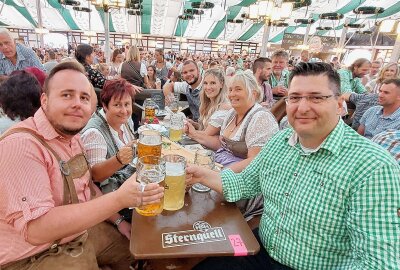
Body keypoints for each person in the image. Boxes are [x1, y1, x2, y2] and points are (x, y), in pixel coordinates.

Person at [187, 62, 400, 270]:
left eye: (316, 98)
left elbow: (378, 262)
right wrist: (201, 175)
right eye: (295, 98)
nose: (303, 107)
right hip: (260, 250)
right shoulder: (281, 141)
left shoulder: (374, 166)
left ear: (338, 104)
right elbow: (244, 183)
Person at [0, 61, 164, 269]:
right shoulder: (20, 145)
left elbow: (88, 187)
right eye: (66, 95)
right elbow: (37, 228)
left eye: (84, 97)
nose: (77, 103)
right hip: (33, 256)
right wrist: (119, 198)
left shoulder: (72, 138)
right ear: (44, 100)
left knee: (141, 254)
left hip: (81, 231)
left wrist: (119, 221)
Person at [81, 79, 136, 222]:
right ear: (105, 106)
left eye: (127, 104)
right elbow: (95, 176)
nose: (124, 110)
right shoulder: (94, 132)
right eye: (117, 105)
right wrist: (118, 160)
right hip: (113, 202)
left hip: (130, 186)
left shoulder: (124, 120)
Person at [185, 68, 231, 150]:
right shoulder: (209, 103)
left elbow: (206, 135)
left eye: (213, 83)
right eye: (205, 83)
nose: (208, 87)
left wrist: (188, 130)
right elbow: (208, 129)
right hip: (204, 146)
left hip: (214, 153)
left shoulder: (224, 107)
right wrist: (195, 124)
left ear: (221, 84)